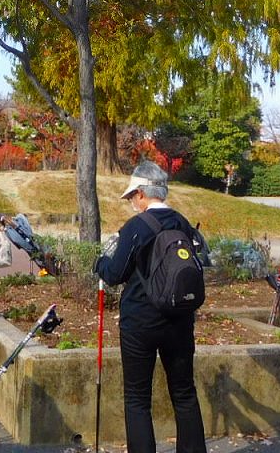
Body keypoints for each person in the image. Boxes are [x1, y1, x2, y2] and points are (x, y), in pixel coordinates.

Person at [93, 160, 205, 453]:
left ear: (142, 193)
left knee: (137, 397)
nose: (132, 201)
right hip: (179, 319)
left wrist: (100, 262)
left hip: (140, 322)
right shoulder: (182, 222)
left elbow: (115, 274)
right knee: (184, 392)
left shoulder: (135, 227)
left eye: (132, 196)